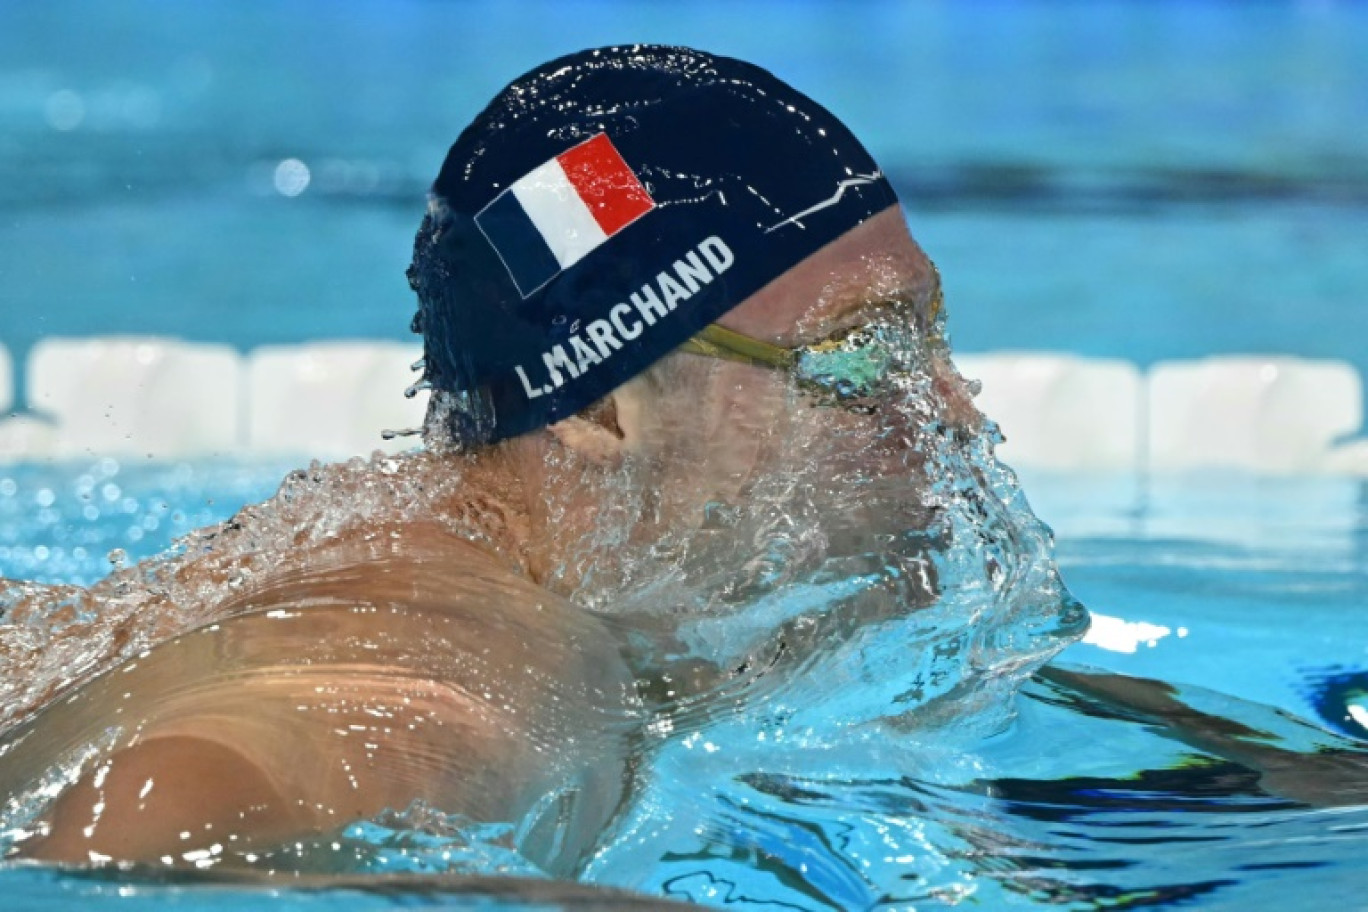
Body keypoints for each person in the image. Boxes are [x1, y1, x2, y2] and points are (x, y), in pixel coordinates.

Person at [0, 45, 981, 876]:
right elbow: (144, 824)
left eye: (934, 341)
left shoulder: (568, 579)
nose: (952, 416)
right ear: (601, 408)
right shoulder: (483, 653)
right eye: (858, 359)